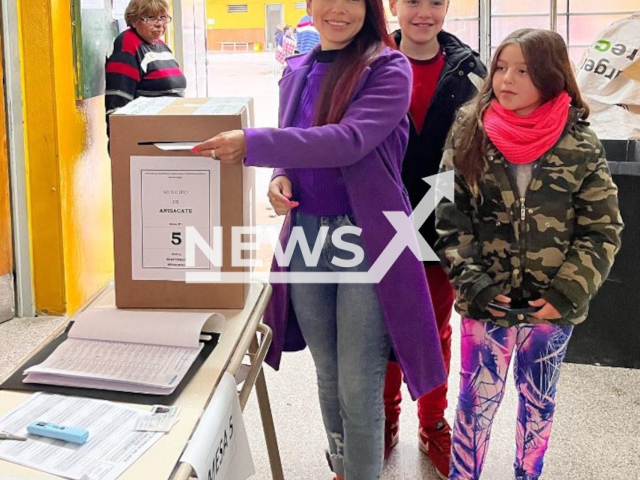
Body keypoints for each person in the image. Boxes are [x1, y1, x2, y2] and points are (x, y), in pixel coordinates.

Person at [192, 0, 447, 476]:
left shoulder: (388, 68)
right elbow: (296, 141)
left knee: (358, 382)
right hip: (306, 237)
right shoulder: (298, 69)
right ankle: (343, 468)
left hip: (368, 243)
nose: (338, 9)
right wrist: (279, 175)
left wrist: (252, 143)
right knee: (327, 376)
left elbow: (346, 140)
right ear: (309, 5)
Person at [435, 28, 623, 480]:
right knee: (475, 403)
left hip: (551, 309)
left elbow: (603, 228)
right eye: (500, 67)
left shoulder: (580, 144)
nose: (506, 79)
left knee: (539, 403)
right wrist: (474, 284)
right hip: (486, 305)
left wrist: (567, 293)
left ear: (551, 75)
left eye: (523, 70)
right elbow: (447, 215)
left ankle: (528, 474)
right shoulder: (467, 130)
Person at [382, 1, 486, 477]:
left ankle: (433, 422)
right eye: (413, 2)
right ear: (393, 6)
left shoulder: (471, 70)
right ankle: (383, 420)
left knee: (435, 330)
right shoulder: (371, 64)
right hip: (380, 224)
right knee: (380, 333)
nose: (424, 13)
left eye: (436, 2)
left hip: (443, 226)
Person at [105, 0, 186, 126]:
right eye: (151, 18)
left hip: (169, 129)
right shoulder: (128, 46)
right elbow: (117, 106)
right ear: (134, 20)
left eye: (163, 17)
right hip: (146, 135)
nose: (159, 24)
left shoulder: (160, 45)